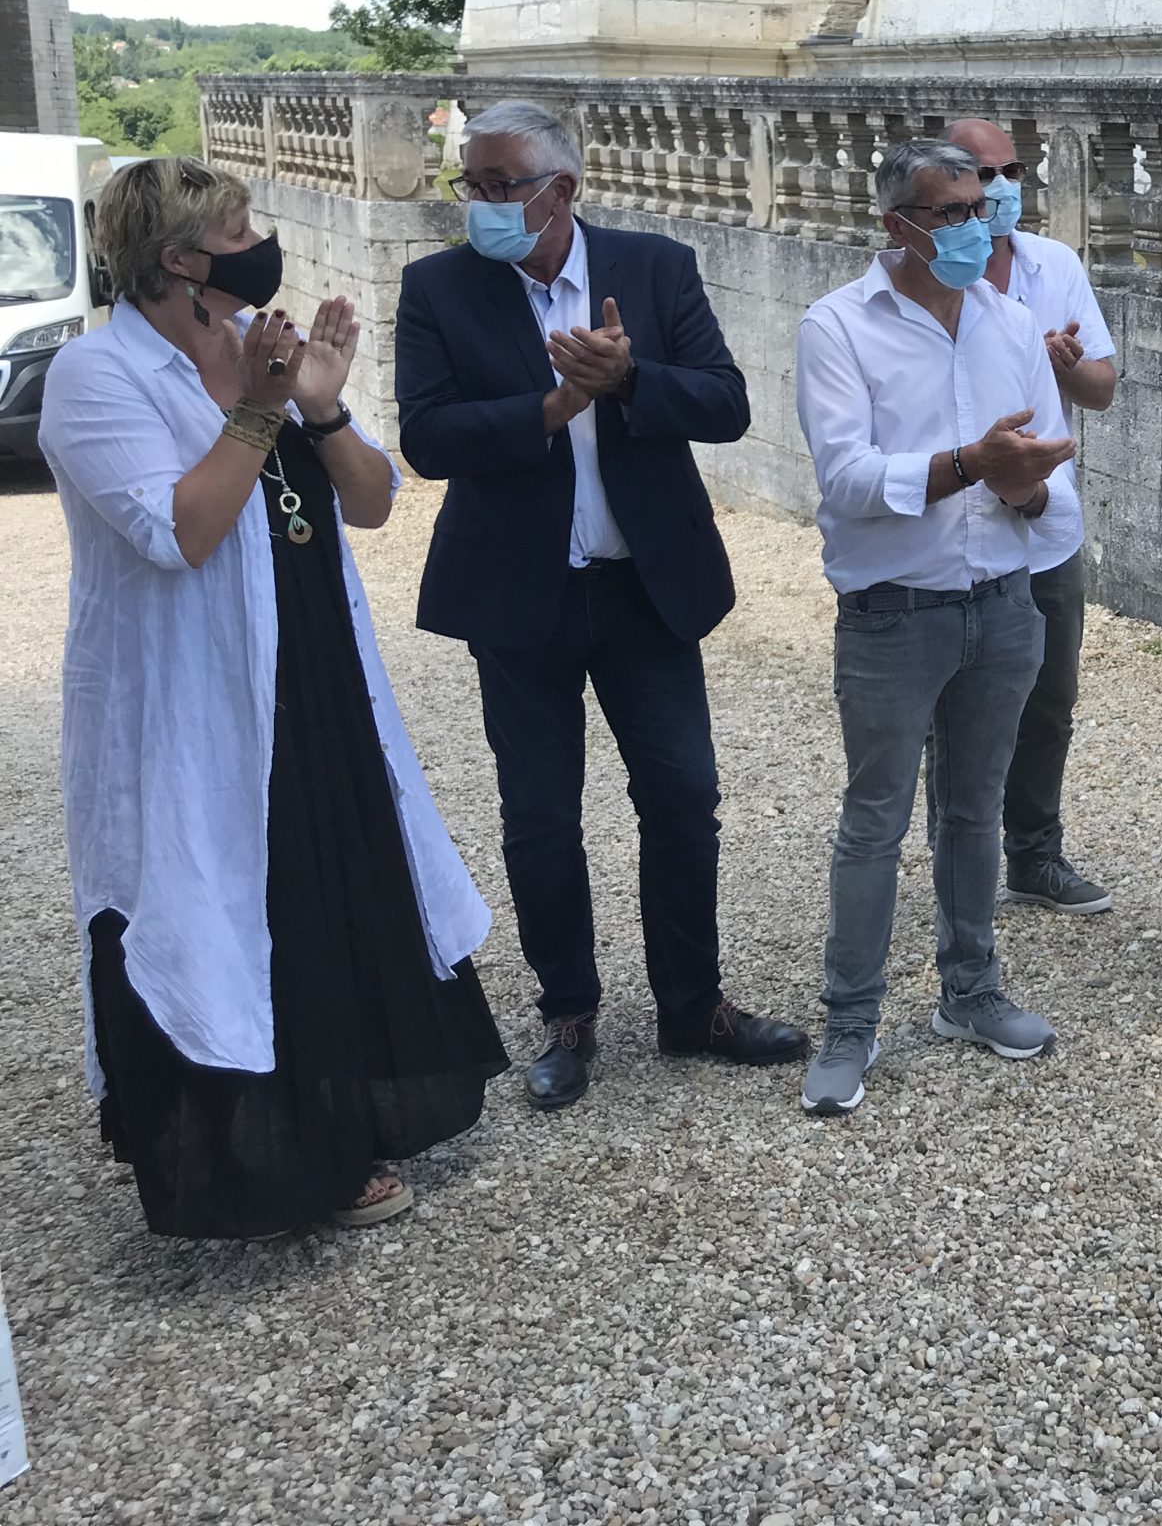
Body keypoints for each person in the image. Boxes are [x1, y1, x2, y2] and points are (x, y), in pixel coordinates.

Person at [39, 157, 505, 1238]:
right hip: (189, 705)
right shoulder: (97, 379)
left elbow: (377, 503)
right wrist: (254, 410)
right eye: (238, 228)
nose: (262, 242)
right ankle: (265, 1161)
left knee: (326, 882)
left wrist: (322, 406)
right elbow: (182, 532)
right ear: (177, 259)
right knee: (216, 902)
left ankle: (345, 1110)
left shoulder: (262, 348)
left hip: (314, 677)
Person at [395, 100, 806, 1113]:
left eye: (500, 186)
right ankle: (568, 1015)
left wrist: (630, 382)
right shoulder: (439, 286)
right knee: (539, 817)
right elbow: (428, 437)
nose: (481, 205)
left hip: (643, 587)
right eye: (471, 185)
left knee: (682, 799)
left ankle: (692, 1006)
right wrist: (543, 410)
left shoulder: (654, 268)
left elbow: (726, 400)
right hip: (517, 592)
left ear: (560, 190)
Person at [795, 138, 1078, 1117]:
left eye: (981, 205)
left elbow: (1055, 492)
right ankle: (848, 1023)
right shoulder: (837, 327)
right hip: (891, 616)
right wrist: (972, 464)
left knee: (973, 808)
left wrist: (1027, 489)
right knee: (874, 820)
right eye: (949, 212)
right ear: (898, 226)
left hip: (1002, 604)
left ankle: (971, 992)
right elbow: (846, 479)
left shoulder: (1011, 322)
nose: (972, 225)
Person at [937, 117, 1118, 914]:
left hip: (1046, 528)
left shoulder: (1054, 264)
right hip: (956, 527)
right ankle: (958, 872)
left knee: (1049, 701)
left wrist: (1064, 366)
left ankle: (1034, 857)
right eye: (985, 172)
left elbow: (1104, 386)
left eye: (1012, 169)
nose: (1002, 187)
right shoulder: (928, 276)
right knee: (956, 710)